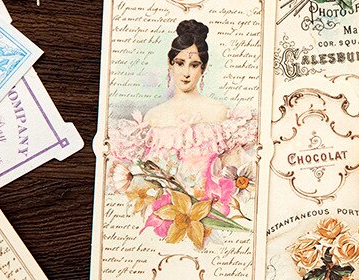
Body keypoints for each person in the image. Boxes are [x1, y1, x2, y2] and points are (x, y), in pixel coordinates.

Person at [108, 20, 257, 217]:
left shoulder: (219, 113)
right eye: (180, 63)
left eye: (194, 65)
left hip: (212, 212)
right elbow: (147, 180)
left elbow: (232, 176)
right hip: (167, 214)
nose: (186, 73)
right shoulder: (153, 117)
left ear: (203, 68)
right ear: (170, 63)